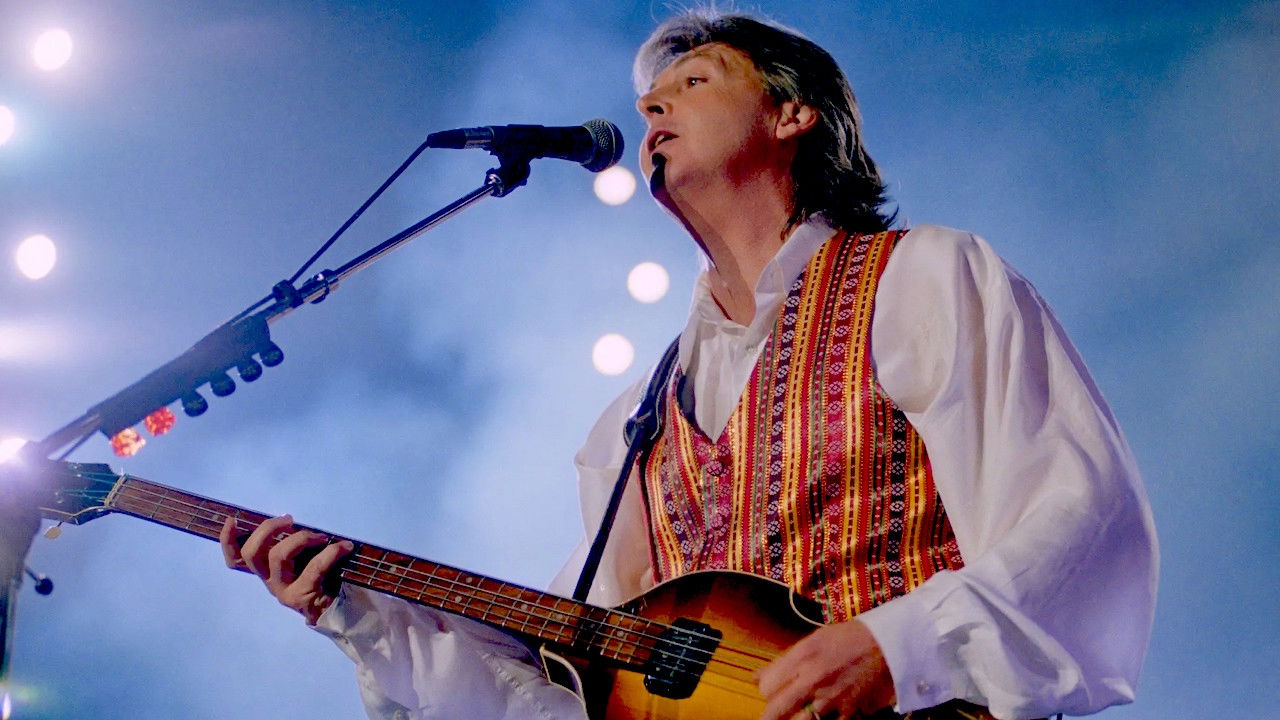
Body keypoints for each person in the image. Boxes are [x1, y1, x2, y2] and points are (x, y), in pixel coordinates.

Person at [220, 10, 1157, 720]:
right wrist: (362, 616)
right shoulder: (633, 424)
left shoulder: (924, 277)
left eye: (695, 81)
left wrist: (896, 645)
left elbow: (1081, 518)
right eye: (649, 100)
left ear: (793, 112)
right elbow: (564, 700)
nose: (650, 107)